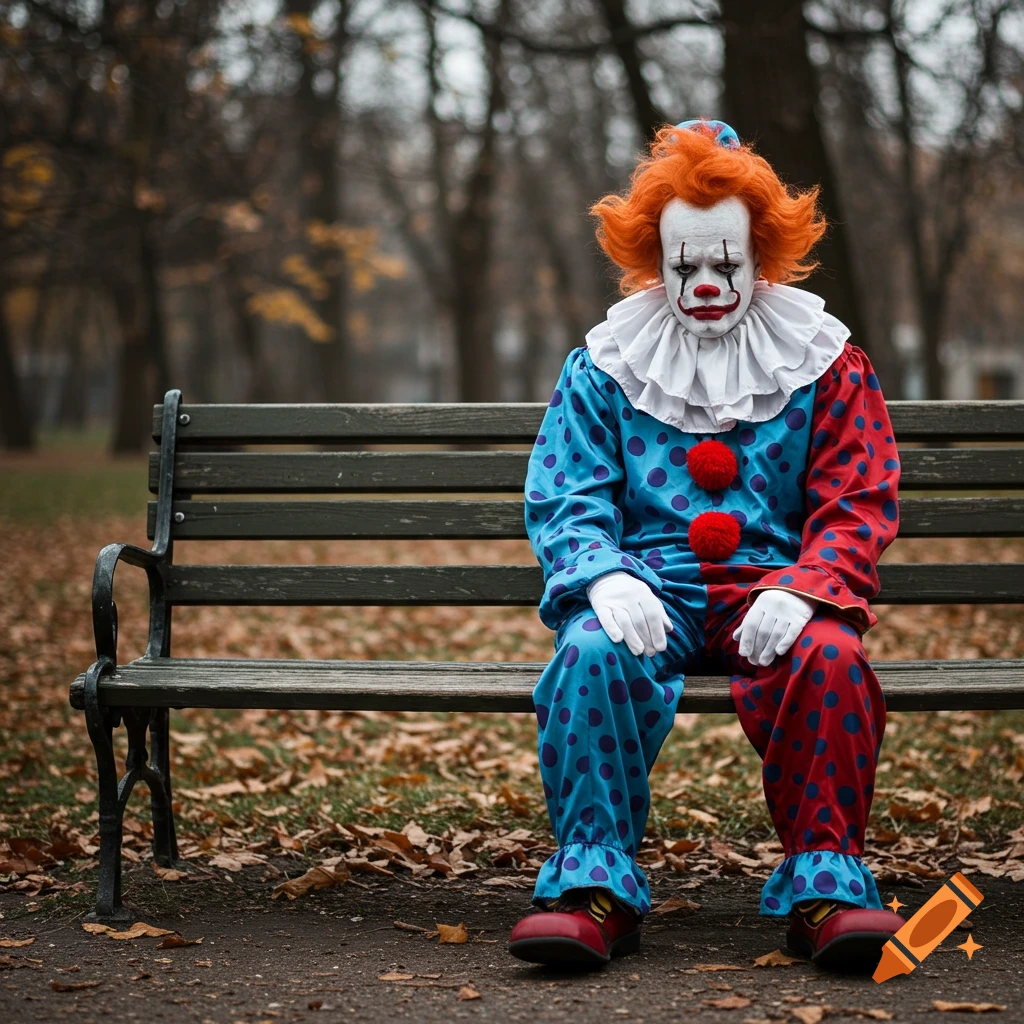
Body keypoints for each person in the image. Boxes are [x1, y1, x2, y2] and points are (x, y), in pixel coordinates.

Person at [508, 119, 903, 970]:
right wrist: (601, 576)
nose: (707, 283)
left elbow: (857, 495)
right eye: (685, 264)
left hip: (777, 584)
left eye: (726, 262)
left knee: (832, 662)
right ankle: (592, 889)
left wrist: (807, 587)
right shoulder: (607, 365)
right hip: (650, 581)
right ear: (657, 258)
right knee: (588, 655)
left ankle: (826, 889)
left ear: (762, 255)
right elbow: (566, 491)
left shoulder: (824, 364)